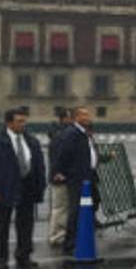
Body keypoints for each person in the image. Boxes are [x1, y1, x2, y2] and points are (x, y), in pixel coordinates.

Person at [0, 108, 47, 269]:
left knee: (26, 225)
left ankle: (24, 256)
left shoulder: (31, 141)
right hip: (4, 188)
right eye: (19, 121)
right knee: (1, 226)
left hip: (27, 187)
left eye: (24, 121)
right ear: (9, 122)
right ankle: (0, 259)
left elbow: (39, 165)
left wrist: (40, 185)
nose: (23, 124)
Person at [51, 107, 100, 257]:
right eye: (84, 115)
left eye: (88, 114)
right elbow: (64, 153)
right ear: (76, 117)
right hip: (77, 177)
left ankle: (80, 237)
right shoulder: (72, 133)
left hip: (87, 176)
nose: (87, 117)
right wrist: (59, 171)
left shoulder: (83, 133)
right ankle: (70, 243)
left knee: (90, 204)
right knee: (75, 210)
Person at [46, 108, 72, 247]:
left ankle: (61, 233)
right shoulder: (61, 135)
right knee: (60, 207)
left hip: (64, 176)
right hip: (61, 177)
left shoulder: (62, 133)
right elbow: (56, 156)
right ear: (64, 119)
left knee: (63, 207)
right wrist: (57, 172)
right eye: (70, 117)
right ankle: (56, 235)